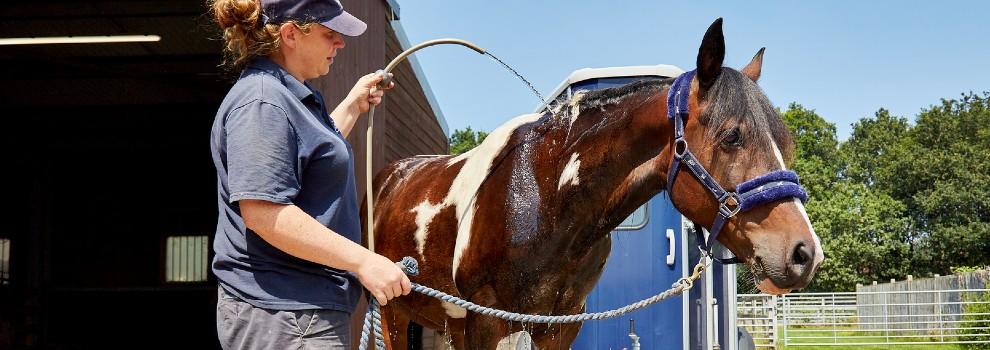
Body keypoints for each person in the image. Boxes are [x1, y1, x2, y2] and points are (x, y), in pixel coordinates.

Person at [208, 0, 411, 348]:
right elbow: (263, 213)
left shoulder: (287, 95)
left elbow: (311, 160)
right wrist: (364, 261)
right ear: (290, 34)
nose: (341, 43)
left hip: (299, 313)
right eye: (329, 34)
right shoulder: (263, 103)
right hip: (284, 316)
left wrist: (352, 105)